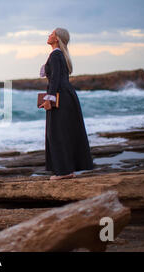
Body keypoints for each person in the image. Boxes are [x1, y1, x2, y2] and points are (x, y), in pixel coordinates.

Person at [38, 28, 94, 180]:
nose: (48, 35)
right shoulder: (59, 55)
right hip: (66, 95)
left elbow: (55, 79)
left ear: (56, 38)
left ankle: (64, 172)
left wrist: (49, 99)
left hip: (60, 96)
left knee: (56, 133)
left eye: (51, 33)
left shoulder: (56, 55)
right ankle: (67, 170)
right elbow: (56, 76)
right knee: (64, 132)